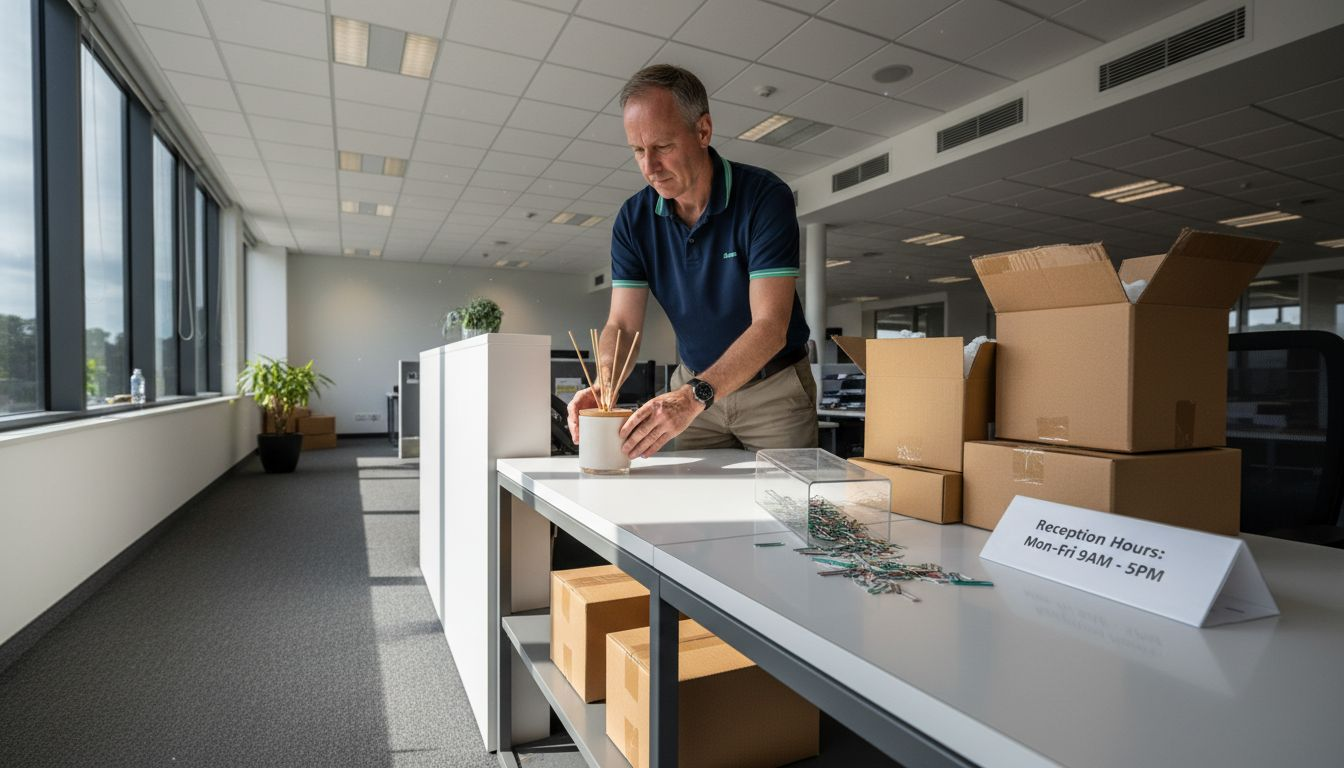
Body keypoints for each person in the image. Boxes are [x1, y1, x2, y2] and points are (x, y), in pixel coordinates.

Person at [566, 64, 817, 459]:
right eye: (638, 151)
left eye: (662, 147)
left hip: (772, 388)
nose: (649, 167)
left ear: (703, 131)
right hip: (695, 386)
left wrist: (692, 397)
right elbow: (622, 323)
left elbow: (770, 327)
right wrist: (605, 383)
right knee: (690, 507)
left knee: (785, 511)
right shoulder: (633, 220)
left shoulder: (764, 198)